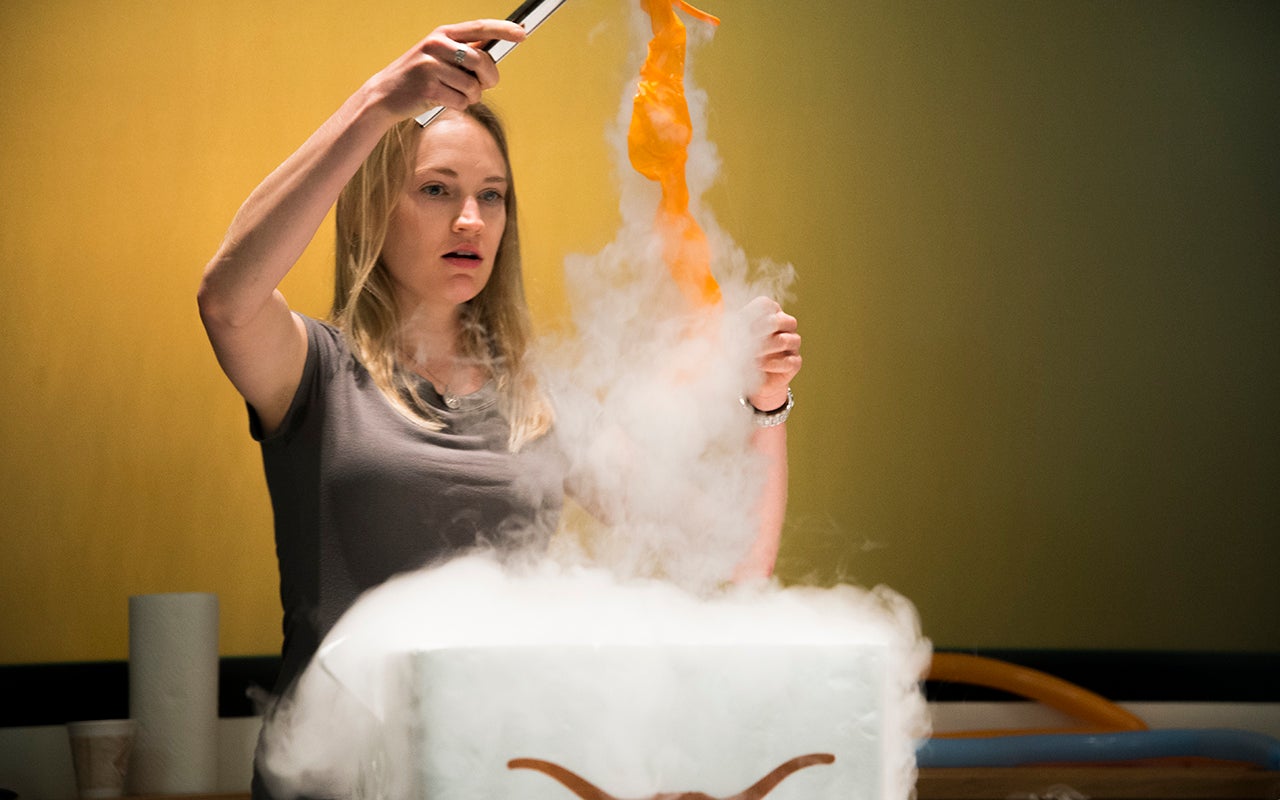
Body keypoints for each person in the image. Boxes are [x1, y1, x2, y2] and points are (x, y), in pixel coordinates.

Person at [198, 18, 800, 799]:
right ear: (376, 206)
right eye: (436, 191)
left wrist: (766, 405)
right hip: (342, 780)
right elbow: (226, 298)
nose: (471, 221)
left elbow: (732, 560)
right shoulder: (316, 371)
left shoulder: (541, 404)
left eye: (492, 197)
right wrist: (382, 102)